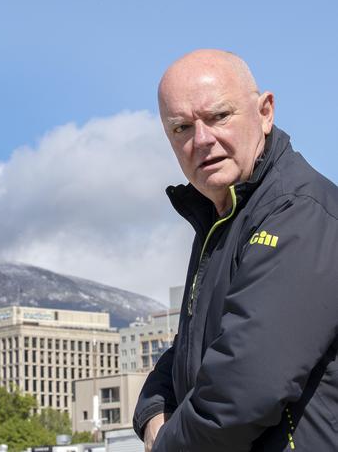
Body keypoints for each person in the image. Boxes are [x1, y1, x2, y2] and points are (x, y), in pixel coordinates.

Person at [133, 49, 338, 452]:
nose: (202, 140)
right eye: (181, 128)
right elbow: (193, 344)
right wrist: (153, 406)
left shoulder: (298, 213)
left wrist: (167, 444)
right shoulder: (224, 215)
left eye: (219, 116)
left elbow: (246, 387)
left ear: (265, 112)